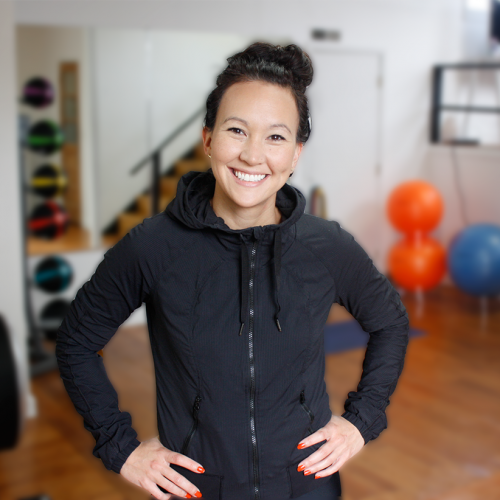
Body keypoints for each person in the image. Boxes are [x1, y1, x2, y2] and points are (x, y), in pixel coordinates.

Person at [56, 42, 409, 500]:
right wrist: (120, 448)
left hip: (306, 485)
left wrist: (362, 421)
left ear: (296, 154)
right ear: (208, 139)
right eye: (237, 130)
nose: (252, 155)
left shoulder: (326, 246)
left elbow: (390, 322)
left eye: (276, 137)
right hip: (198, 486)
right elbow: (77, 340)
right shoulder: (153, 246)